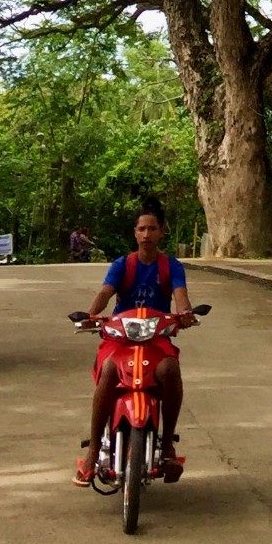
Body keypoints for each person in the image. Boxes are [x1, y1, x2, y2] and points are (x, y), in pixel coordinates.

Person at [74, 199, 193, 487]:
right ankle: (91, 454)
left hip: (157, 339)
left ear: (161, 232)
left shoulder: (171, 266)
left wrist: (185, 313)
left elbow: (180, 294)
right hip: (120, 339)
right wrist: (91, 316)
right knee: (109, 373)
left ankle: (167, 447)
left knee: (170, 371)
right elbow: (105, 292)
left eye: (152, 228)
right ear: (135, 233)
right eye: (141, 229)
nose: (146, 234)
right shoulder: (122, 265)